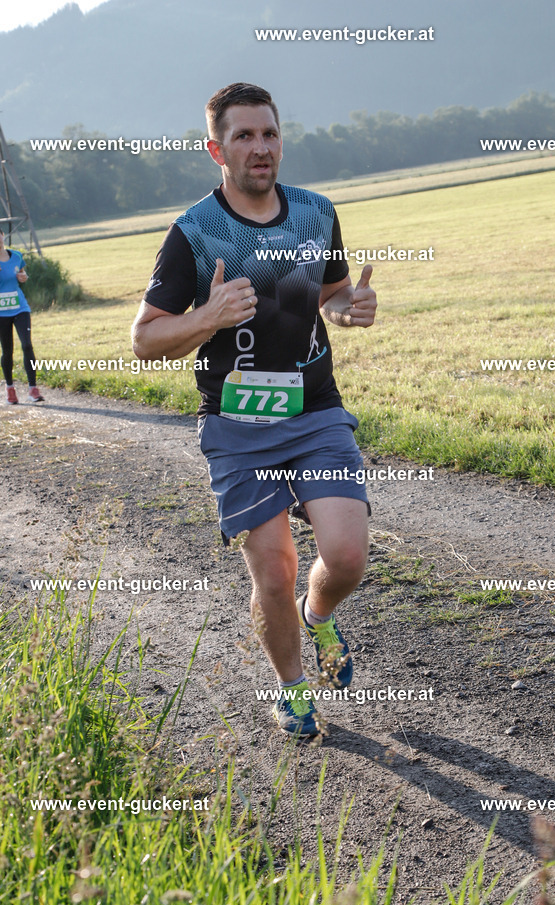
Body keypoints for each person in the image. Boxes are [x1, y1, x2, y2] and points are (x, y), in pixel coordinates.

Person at [132, 83, 377, 739]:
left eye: (268, 133)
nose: (260, 147)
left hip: (315, 407)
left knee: (346, 556)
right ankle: (293, 690)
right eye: (243, 136)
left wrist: (347, 309)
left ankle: (318, 616)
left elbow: (331, 293)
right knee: (273, 567)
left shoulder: (316, 213)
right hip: (237, 426)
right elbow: (145, 338)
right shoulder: (192, 233)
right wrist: (207, 317)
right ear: (217, 148)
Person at [0, 227, 44, 404]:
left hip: (20, 308)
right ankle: (10, 389)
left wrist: (23, 276)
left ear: (2, 236)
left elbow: (22, 274)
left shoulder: (16, 256)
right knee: (7, 350)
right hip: (1, 313)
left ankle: (33, 389)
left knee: (27, 345)